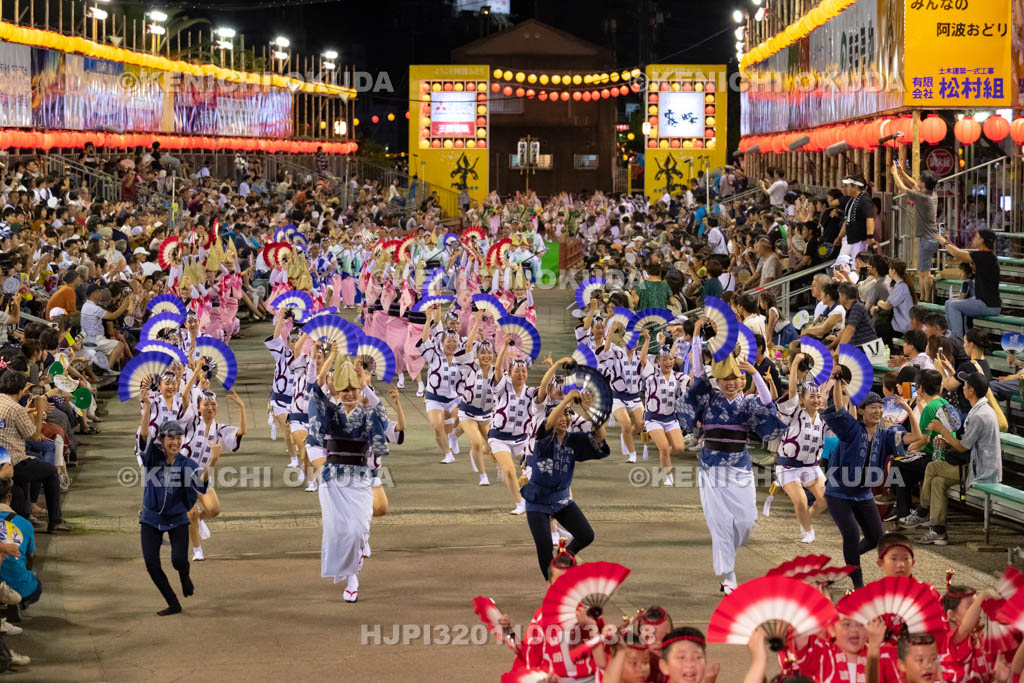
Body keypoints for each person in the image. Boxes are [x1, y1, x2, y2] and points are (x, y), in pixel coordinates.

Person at [677, 328, 786, 594]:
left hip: (740, 469)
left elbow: (767, 402)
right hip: (712, 470)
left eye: (735, 378)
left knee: (746, 522)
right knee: (721, 523)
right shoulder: (710, 399)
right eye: (725, 378)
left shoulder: (747, 404)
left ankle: (729, 559)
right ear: (718, 380)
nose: (731, 383)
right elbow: (700, 375)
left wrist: (755, 372)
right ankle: (728, 576)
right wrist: (695, 337)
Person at [305, 357, 391, 603]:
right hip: (333, 482)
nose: (350, 393)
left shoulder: (367, 414)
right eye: (345, 390)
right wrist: (330, 357)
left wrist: (365, 385)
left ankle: (360, 548)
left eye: (353, 389)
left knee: (358, 529)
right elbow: (315, 390)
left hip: (361, 480)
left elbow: (384, 418)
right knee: (336, 531)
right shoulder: (330, 414)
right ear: (338, 392)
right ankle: (352, 577)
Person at [822, 386, 920, 589]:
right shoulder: (851, 429)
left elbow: (916, 437)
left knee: (877, 537)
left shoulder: (886, 435)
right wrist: (841, 385)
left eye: (880, 408)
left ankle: (848, 564)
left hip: (863, 493)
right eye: (873, 408)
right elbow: (839, 410)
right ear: (861, 411)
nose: (877, 412)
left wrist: (909, 410)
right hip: (839, 492)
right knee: (850, 534)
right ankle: (858, 582)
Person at [903, 371, 1002, 545]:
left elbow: (963, 446)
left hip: (980, 470)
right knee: (938, 482)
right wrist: (946, 439)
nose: (962, 388)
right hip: (974, 464)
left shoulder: (980, 415)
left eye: (965, 386)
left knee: (932, 467)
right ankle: (938, 530)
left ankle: (923, 510)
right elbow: (964, 443)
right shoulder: (981, 410)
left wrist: (943, 431)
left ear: (971, 390)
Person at [520, 388, 609, 578]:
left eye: (567, 415)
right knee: (544, 547)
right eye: (560, 414)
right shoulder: (543, 437)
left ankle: (565, 558)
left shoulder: (574, 441)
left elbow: (600, 436)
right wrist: (567, 399)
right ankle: (550, 584)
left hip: (561, 500)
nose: (564, 418)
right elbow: (550, 421)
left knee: (586, 535)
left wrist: (589, 410)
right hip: (538, 500)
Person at [138, 419, 211, 616]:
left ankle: (184, 575)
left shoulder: (187, 464)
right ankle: (173, 603)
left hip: (178, 518)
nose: (175, 442)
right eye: (171, 437)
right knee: (151, 564)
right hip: (150, 519)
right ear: (161, 439)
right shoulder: (152, 458)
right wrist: (146, 406)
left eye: (179, 438)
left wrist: (212, 462)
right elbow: (143, 436)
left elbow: (201, 485)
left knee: (178, 561)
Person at [181, 389, 246, 562]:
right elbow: (184, 397)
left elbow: (240, 432)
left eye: (213, 404)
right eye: (206, 404)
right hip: (183, 473)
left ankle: (199, 521)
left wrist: (242, 408)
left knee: (214, 510)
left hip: (202, 474)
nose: (210, 407)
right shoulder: (191, 423)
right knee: (191, 513)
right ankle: (197, 550)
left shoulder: (219, 429)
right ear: (199, 407)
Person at [0, 370, 69, 532]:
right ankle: (55, 521)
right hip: (12, 462)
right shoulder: (15, 409)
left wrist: (28, 410)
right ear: (20, 390)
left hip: (4, 459)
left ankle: (25, 516)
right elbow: (35, 436)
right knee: (50, 472)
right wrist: (39, 409)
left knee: (28, 471)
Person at [776, 356, 827, 544]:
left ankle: (805, 521)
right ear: (802, 400)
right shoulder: (794, 412)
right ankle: (808, 531)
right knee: (801, 501)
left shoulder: (823, 420)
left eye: (818, 396)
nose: (816, 399)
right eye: (811, 396)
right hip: (788, 466)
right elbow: (791, 391)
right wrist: (795, 363)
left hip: (812, 467)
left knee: (824, 501)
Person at [940, 228, 1001, 338]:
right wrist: (948, 241)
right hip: (983, 300)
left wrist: (942, 241)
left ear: (982, 240)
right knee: (949, 302)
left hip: (988, 304)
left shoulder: (984, 256)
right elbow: (959, 253)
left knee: (953, 306)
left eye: (976, 237)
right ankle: (951, 334)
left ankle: (957, 339)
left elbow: (957, 253)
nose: (973, 239)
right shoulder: (985, 256)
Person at [892, 166, 939, 302]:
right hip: (929, 237)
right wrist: (903, 173)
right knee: (923, 271)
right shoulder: (931, 193)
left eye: (919, 179)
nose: (917, 180)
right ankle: (925, 299)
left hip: (927, 237)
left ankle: (926, 300)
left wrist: (895, 173)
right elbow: (913, 184)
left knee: (925, 273)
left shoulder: (923, 197)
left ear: (923, 183)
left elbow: (902, 188)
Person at [872, 260, 917, 349]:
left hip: (903, 325)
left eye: (890, 268)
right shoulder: (900, 285)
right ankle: (889, 350)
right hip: (899, 322)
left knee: (875, 328)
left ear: (893, 271)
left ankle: (884, 352)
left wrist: (879, 302)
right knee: (881, 328)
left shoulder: (902, 286)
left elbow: (887, 306)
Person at [836, 174, 877, 260]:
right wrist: (839, 237)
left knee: (857, 266)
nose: (846, 189)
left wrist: (870, 237)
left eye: (848, 186)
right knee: (841, 264)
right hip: (850, 239)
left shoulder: (865, 199)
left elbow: (870, 219)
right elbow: (847, 221)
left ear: (855, 187)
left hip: (859, 241)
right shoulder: (852, 199)